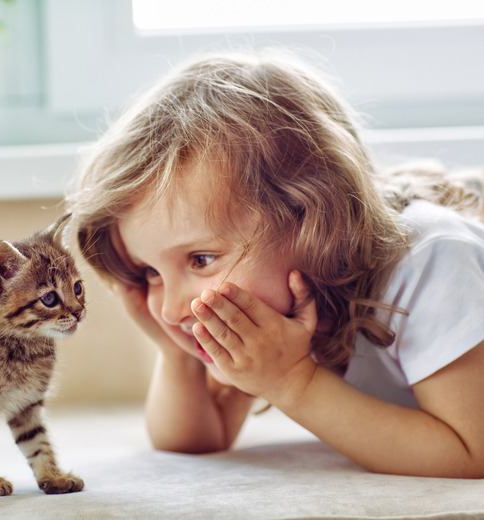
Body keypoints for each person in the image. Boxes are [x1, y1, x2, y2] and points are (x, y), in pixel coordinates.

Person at [66, 49, 484, 478]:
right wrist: (176, 354)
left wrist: (293, 383)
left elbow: (472, 452)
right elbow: (195, 441)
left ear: (312, 219)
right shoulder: (273, 299)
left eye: (201, 258)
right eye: (151, 272)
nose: (173, 308)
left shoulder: (433, 262)